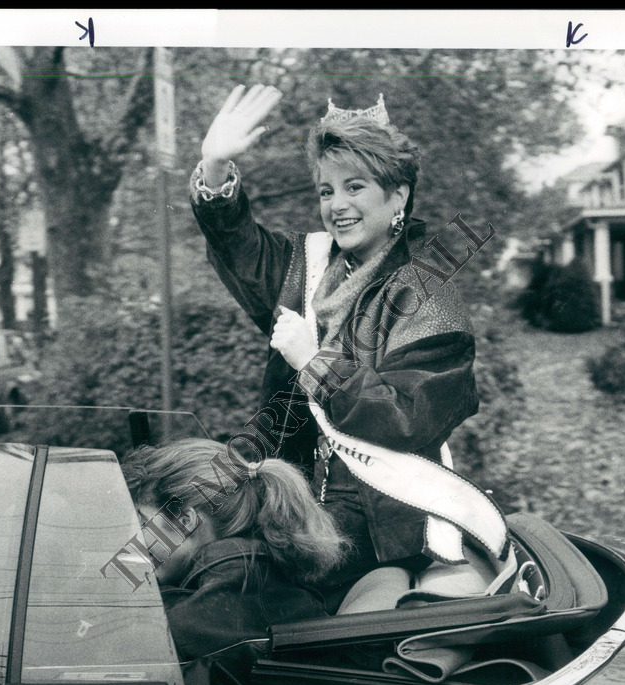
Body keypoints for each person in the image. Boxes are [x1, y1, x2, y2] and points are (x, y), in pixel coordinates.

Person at [190, 85, 485, 608]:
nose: (338, 206)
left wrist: (313, 362)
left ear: (398, 197)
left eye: (356, 187)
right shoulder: (304, 265)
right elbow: (239, 247)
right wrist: (214, 167)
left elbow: (406, 418)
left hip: (383, 533)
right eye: (326, 192)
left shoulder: (428, 291)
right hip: (293, 514)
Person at [121, 438, 349, 685]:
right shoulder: (265, 583)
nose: (133, 538)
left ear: (185, 521)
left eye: (142, 522)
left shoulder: (185, 624)